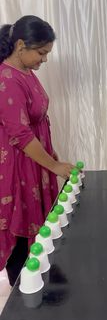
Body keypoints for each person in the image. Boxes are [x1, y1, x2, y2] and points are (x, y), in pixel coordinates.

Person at [0, 15, 75, 285]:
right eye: (41, 53)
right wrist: (54, 166)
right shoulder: (7, 79)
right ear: (21, 45)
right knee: (21, 232)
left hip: (34, 161)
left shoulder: (26, 73)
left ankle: (38, 283)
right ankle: (21, 295)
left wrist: (50, 155)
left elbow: (37, 121)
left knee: (41, 228)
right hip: (18, 167)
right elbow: (20, 134)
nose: (44, 59)